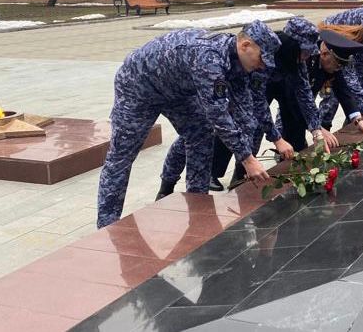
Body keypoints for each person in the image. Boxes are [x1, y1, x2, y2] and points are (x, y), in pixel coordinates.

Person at [96, 20, 281, 228]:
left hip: (176, 92)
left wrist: (273, 140)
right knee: (121, 155)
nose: (262, 65)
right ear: (245, 45)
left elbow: (246, 112)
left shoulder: (238, 64)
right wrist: (247, 159)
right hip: (138, 88)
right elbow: (218, 115)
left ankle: (197, 205)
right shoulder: (209, 58)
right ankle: (107, 226)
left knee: (200, 134)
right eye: (261, 58)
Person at [158, 17, 331, 195]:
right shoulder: (259, 54)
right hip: (196, 88)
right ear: (293, 46)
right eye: (305, 51)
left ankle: (241, 177)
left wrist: (315, 129)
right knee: (199, 130)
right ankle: (171, 183)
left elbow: (299, 94)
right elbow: (250, 103)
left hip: (235, 87)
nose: (308, 57)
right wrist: (274, 140)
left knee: (248, 126)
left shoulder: (292, 60)